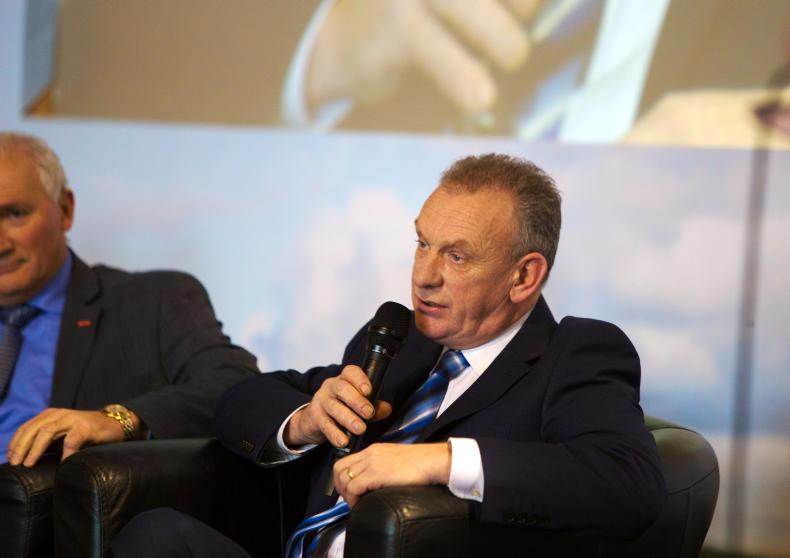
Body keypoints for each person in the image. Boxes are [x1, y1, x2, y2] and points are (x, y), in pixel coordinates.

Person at [111, 153, 666, 557]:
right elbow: (243, 399)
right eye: (422, 243)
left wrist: (440, 462)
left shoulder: (574, 354)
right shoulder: (401, 343)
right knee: (157, 534)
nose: (423, 276)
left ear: (523, 276)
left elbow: (629, 486)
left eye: (456, 256)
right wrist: (305, 420)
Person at [0, 132, 259, 467]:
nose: (1, 244)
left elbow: (236, 385)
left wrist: (119, 419)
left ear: (65, 209)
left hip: (56, 497)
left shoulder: (153, 301)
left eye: (15, 214)